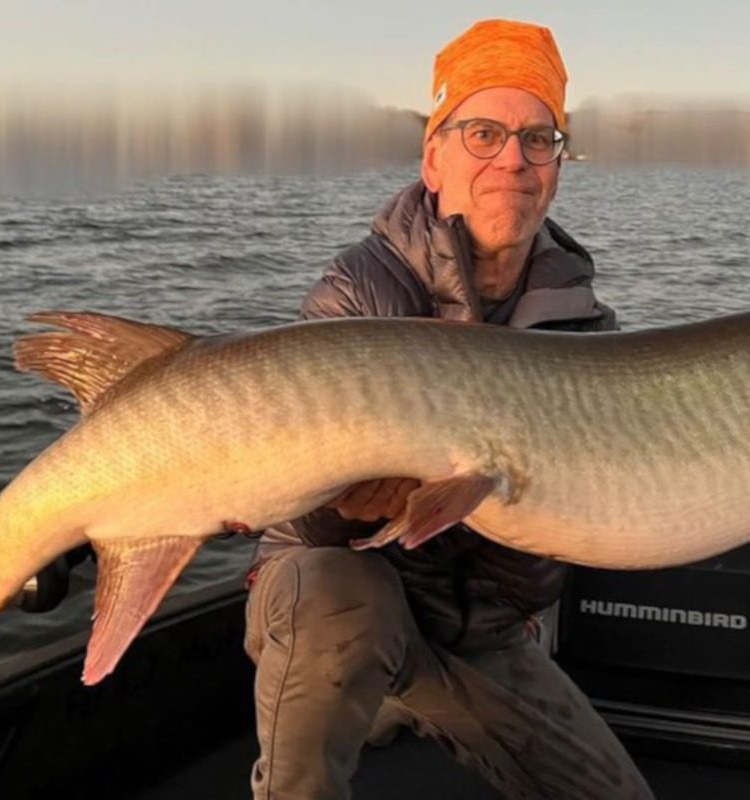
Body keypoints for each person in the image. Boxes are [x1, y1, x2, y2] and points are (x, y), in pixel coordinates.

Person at [244, 18, 655, 800]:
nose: (514, 159)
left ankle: (406, 701)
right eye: (484, 132)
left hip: (480, 634)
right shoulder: (361, 292)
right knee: (340, 604)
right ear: (433, 158)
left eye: (540, 138)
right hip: (342, 595)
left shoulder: (586, 328)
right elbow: (302, 520)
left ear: (559, 167)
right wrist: (347, 505)